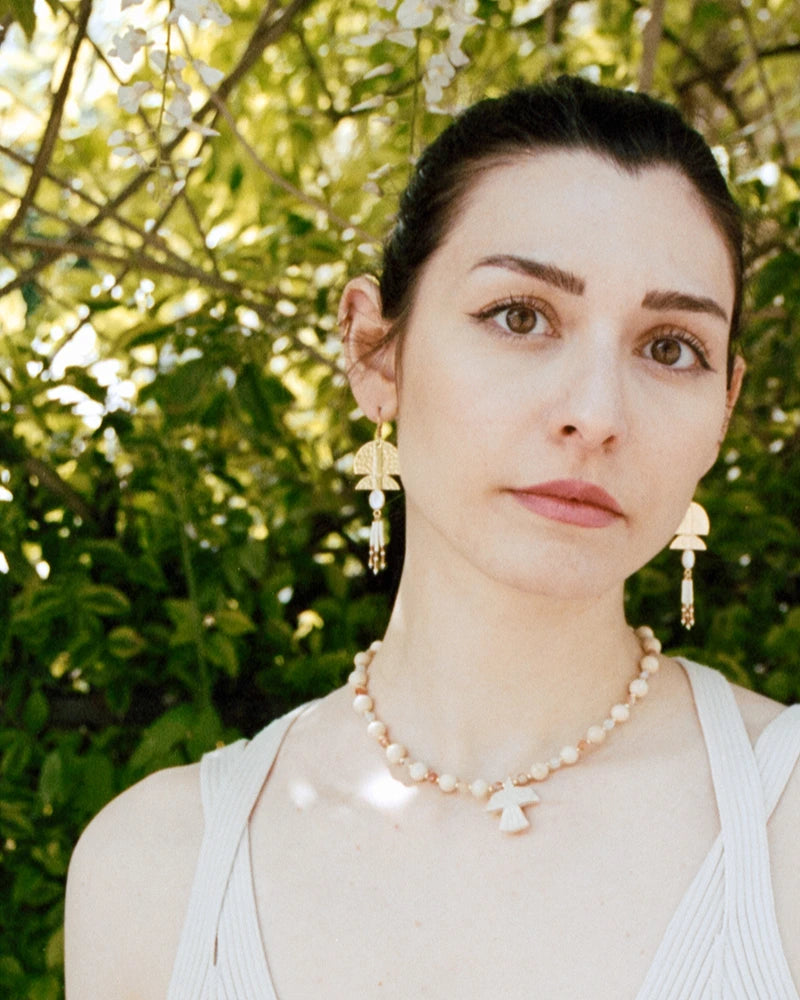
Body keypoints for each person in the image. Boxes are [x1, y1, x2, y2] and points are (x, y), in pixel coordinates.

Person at [64, 76, 800, 999]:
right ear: (376, 352)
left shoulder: (788, 834)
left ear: (723, 408)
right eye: (521, 317)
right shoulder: (154, 873)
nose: (596, 413)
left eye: (668, 348)